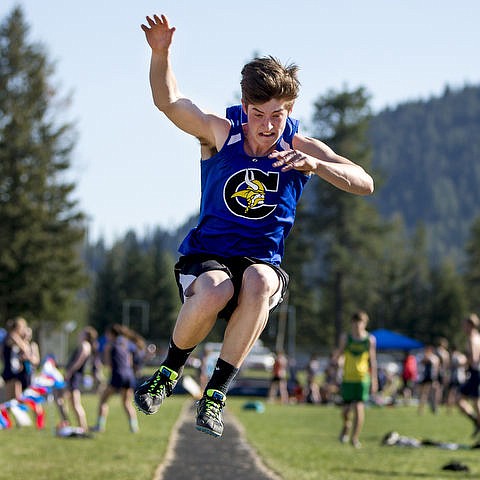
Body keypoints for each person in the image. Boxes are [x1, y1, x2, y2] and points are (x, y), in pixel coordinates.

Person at [135, 13, 374, 438]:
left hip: (261, 261)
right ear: (244, 107)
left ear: (291, 110)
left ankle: (215, 395)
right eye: (258, 114)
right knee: (216, 289)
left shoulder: (300, 146)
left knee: (259, 282)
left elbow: (364, 182)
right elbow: (169, 102)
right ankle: (169, 372)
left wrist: (317, 166)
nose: (267, 126)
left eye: (277, 115)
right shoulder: (220, 133)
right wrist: (161, 53)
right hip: (208, 255)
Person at [332, 311, 378, 448]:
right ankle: (346, 426)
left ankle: (355, 438)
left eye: (360, 323)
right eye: (355, 323)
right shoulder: (346, 338)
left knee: (359, 407)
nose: (357, 326)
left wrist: (374, 380)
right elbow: (339, 354)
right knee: (345, 411)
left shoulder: (369, 340)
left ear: (365, 324)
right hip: (348, 378)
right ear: (352, 324)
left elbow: (373, 361)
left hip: (362, 379)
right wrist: (337, 363)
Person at [92, 324, 139, 433]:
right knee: (127, 403)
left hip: (118, 375)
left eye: (107, 334)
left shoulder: (109, 345)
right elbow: (130, 361)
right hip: (129, 375)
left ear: (111, 334)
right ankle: (134, 427)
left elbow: (108, 364)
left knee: (103, 400)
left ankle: (100, 426)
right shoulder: (126, 343)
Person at [57, 326, 98, 432]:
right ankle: (72, 424)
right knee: (67, 401)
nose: (79, 334)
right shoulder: (86, 345)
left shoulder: (85, 345)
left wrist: (70, 372)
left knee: (74, 403)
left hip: (74, 376)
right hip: (74, 376)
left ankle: (82, 427)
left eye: (82, 333)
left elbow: (79, 361)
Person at [1, 317, 37, 401]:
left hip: (14, 371)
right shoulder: (13, 335)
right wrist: (25, 340)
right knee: (11, 400)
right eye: (23, 328)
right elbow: (25, 348)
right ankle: (6, 413)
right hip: (9, 371)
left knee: (16, 399)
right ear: (18, 327)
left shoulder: (12, 336)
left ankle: (11, 413)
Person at [456, 314, 480, 434]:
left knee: (462, 400)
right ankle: (477, 421)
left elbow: (474, 358)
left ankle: (477, 421)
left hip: (475, 373)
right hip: (476, 373)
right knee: (475, 402)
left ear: (470, 325)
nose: (463, 327)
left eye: (464, 325)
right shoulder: (478, 337)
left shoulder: (471, 338)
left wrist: (463, 361)